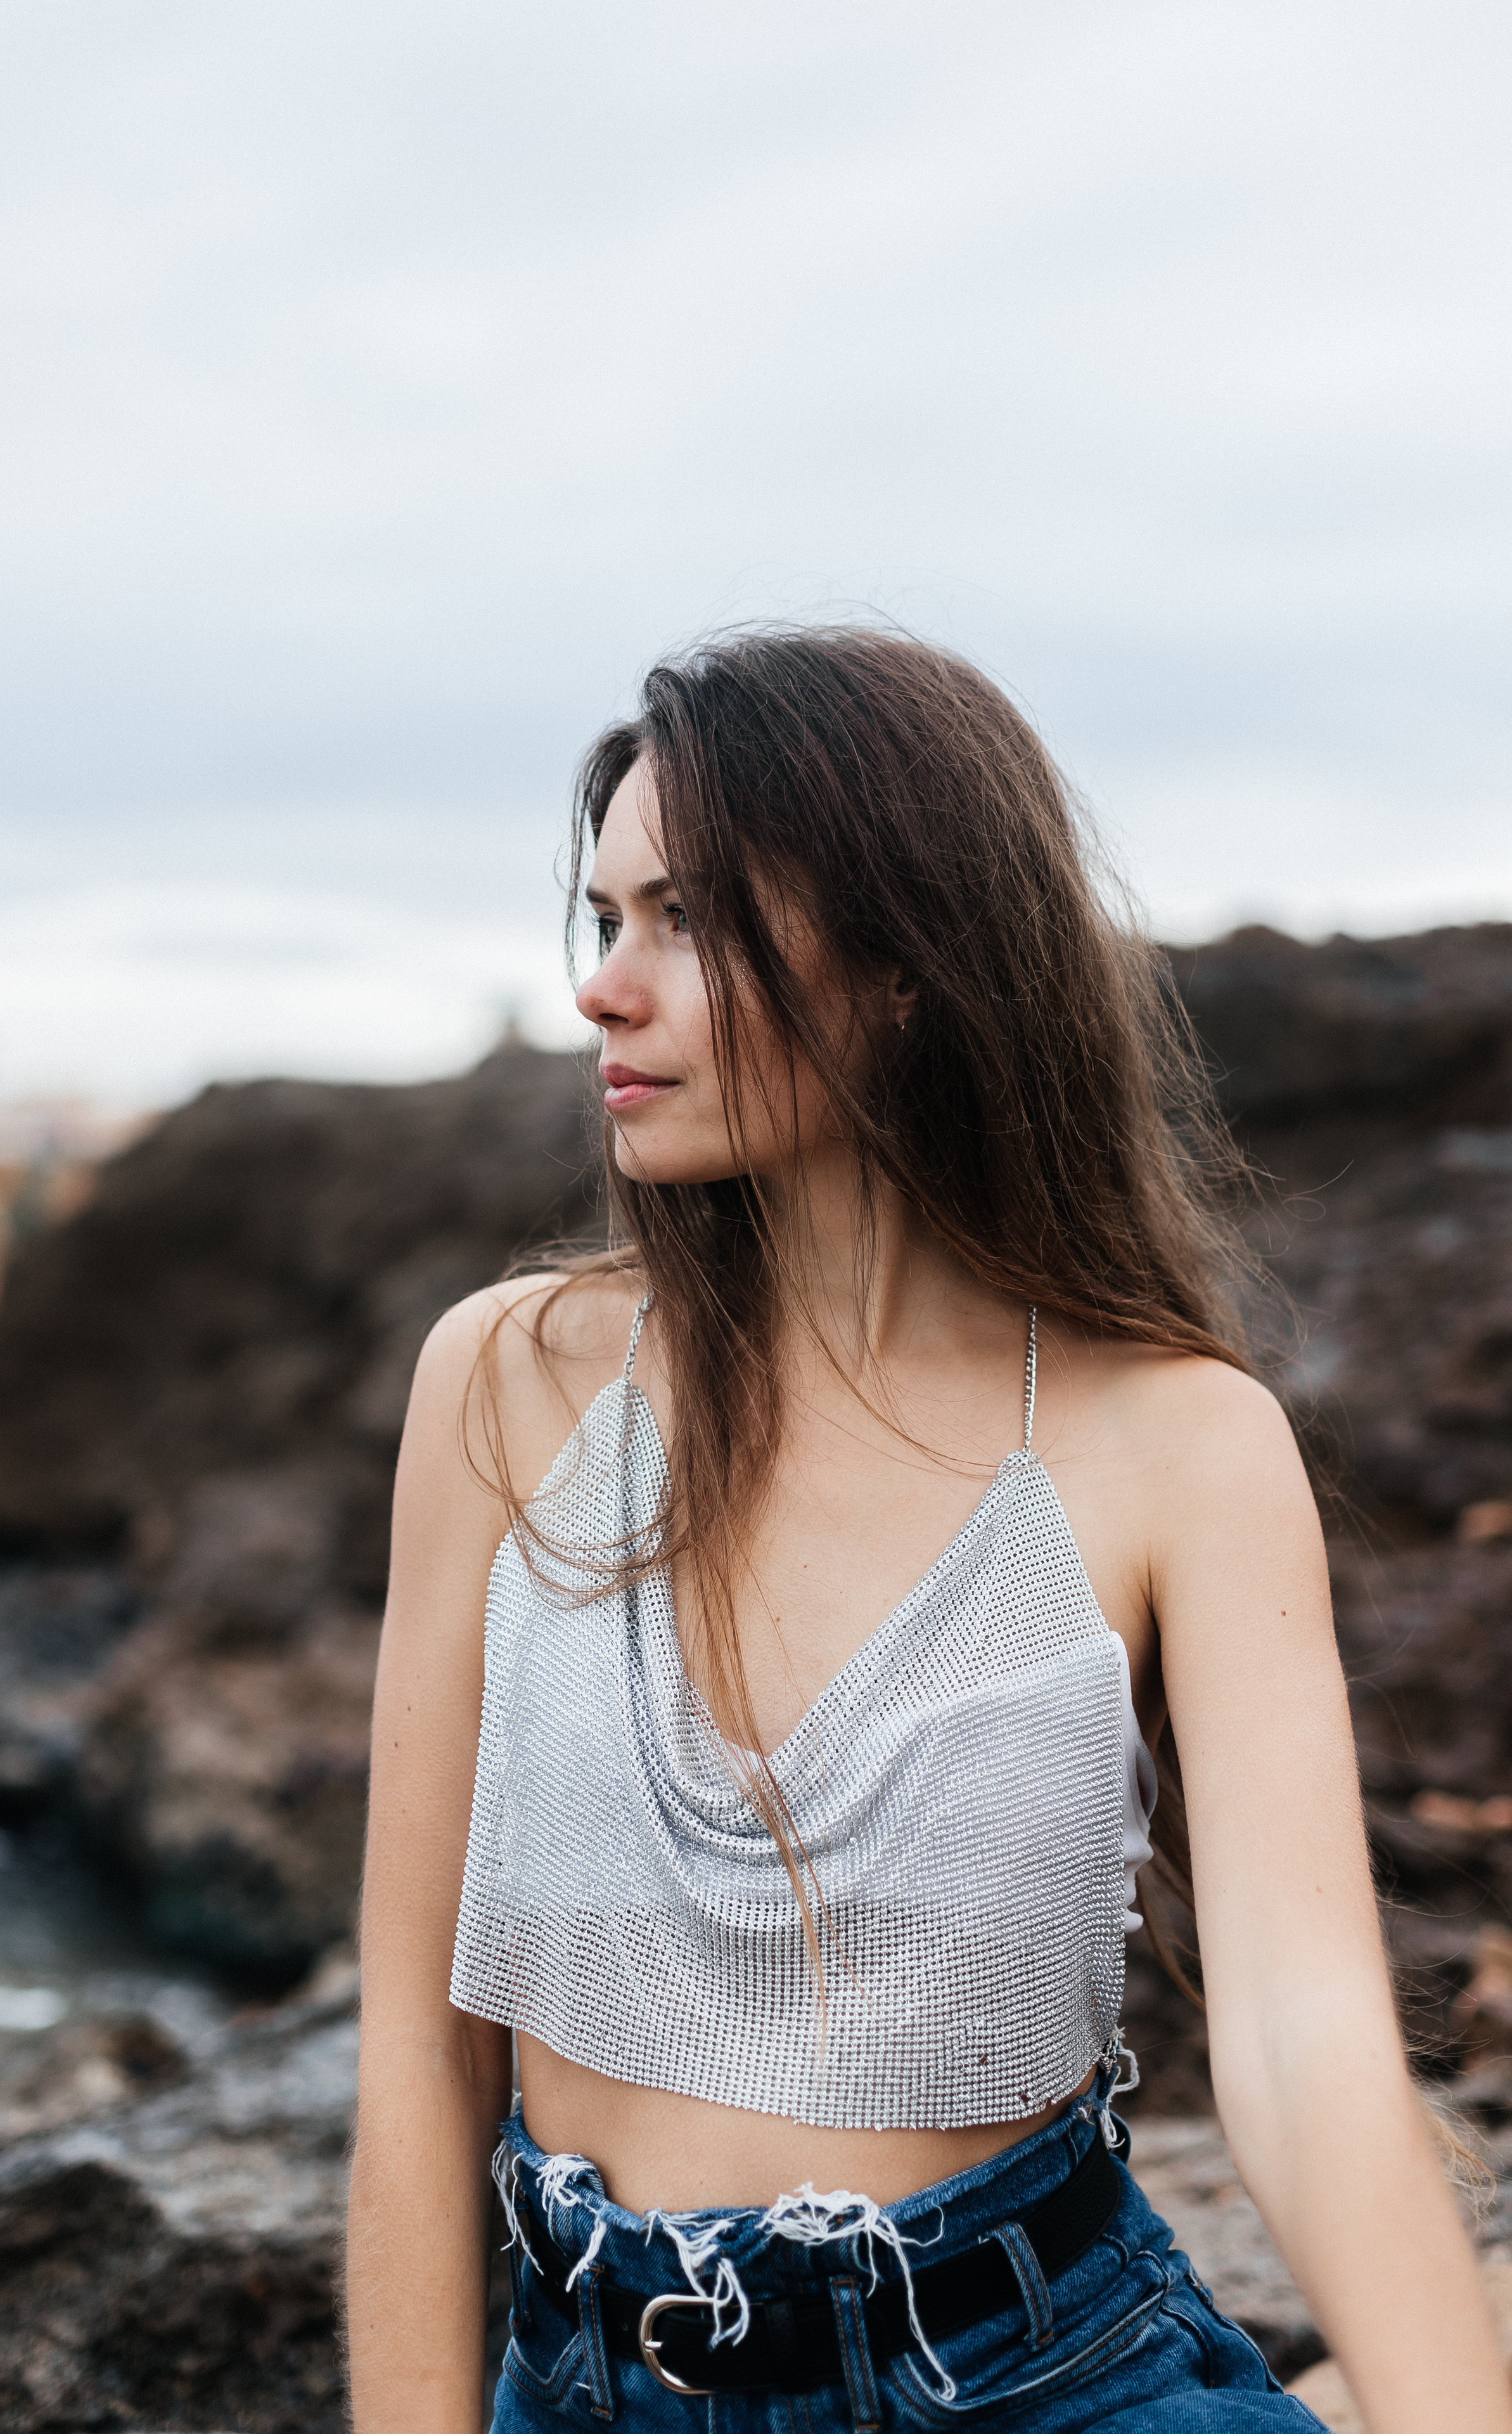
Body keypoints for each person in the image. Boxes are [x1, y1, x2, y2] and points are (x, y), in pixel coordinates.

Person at [346, 629, 1510, 2433]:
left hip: (1050, 2379)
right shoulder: (507, 1384)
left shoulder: (1182, 1444)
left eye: (687, 920)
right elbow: (424, 2054)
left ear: (907, 963)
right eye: (605, 921)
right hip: (594, 2381)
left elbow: (1305, 2045)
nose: (605, 990)